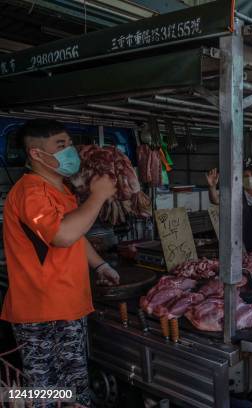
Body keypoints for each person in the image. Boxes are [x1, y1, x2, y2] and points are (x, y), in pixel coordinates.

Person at [1, 119, 120, 407]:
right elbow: (63, 235)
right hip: (43, 312)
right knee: (51, 393)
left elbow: (75, 232)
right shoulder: (31, 191)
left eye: (70, 144)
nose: (70, 151)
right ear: (36, 154)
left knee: (72, 387)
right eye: (61, 145)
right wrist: (99, 195)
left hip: (64, 306)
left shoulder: (59, 189)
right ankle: (10, 397)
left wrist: (100, 265)